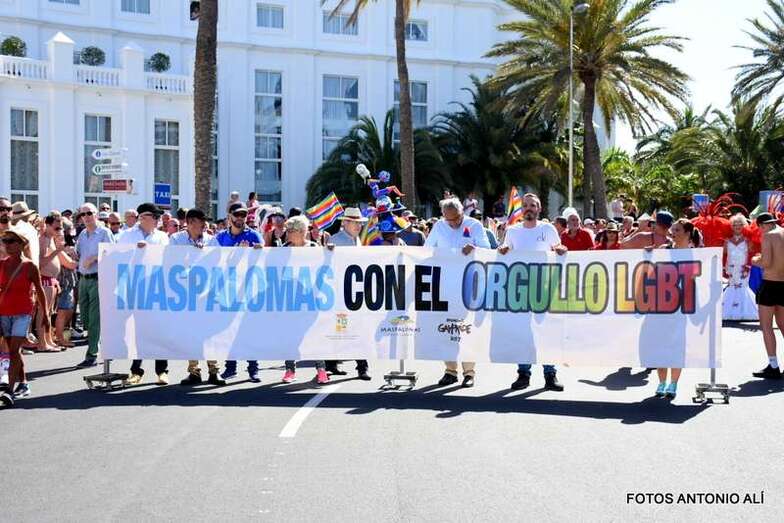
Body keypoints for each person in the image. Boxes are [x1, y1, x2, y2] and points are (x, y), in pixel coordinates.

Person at [498, 192, 568, 391]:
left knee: (546, 332)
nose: (529, 208)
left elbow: (558, 248)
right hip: (520, 290)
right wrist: (502, 250)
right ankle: (523, 374)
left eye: (533, 205)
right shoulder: (512, 231)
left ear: (539, 209)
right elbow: (504, 251)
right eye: (526, 205)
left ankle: (550, 374)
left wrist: (562, 249)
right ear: (522, 209)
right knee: (523, 333)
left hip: (544, 288)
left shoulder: (548, 229)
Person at [425, 197, 491, 388]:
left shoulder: (475, 225)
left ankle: (469, 372)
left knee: (466, 329)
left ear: (462, 213)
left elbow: (488, 250)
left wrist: (475, 248)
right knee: (446, 329)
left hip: (468, 286)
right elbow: (427, 250)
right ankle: (450, 370)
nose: (453, 223)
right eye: (449, 220)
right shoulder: (439, 226)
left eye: (456, 219)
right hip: (444, 285)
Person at [170, 209, 226, 386]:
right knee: (191, 332)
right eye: (201, 221)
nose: (204, 225)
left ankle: (214, 370)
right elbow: (170, 260)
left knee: (209, 332)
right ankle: (194, 371)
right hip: (186, 294)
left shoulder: (211, 240)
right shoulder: (176, 240)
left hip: (207, 292)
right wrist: (192, 253)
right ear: (191, 222)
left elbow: (219, 262)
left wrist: (203, 254)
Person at [210, 202, 264, 382]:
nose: (240, 218)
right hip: (227, 290)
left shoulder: (254, 235)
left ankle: (253, 368)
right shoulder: (219, 238)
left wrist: (258, 251)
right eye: (237, 215)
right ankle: (230, 367)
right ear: (229, 217)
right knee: (228, 330)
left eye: (243, 215)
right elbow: (212, 260)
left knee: (249, 330)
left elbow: (265, 259)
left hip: (249, 290)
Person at [117, 203, 171, 385]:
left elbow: (169, 260)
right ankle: (135, 370)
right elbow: (116, 258)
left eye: (157, 217)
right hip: (134, 289)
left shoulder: (163, 237)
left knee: (159, 330)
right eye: (154, 216)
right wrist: (134, 251)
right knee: (137, 331)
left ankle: (162, 371)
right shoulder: (126, 236)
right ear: (143, 217)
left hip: (156, 289)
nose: (157, 220)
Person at [0, 228, 49, 407]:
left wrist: (46, 315)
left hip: (23, 313)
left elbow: (40, 290)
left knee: (13, 351)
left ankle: (9, 391)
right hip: (4, 313)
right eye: (5, 241)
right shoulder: (2, 264)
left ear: (21, 244)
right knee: (15, 352)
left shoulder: (29, 266)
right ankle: (24, 383)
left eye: (11, 241)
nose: (7, 245)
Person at [653, 219, 701, 399]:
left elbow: (699, 282)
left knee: (677, 346)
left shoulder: (694, 255)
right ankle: (661, 382)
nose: (673, 233)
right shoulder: (663, 250)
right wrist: (648, 255)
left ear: (687, 233)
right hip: (661, 306)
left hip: (682, 307)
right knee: (659, 345)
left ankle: (673, 384)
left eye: (677, 230)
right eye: (672, 229)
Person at [281, 215, 330, 384]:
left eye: (291, 230)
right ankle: (289, 370)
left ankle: (321, 369)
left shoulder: (314, 247)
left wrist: (329, 252)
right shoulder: (283, 248)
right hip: (291, 300)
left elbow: (324, 267)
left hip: (311, 299)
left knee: (314, 335)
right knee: (289, 336)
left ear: (302, 232)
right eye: (287, 230)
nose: (287, 233)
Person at [325, 207, 371, 380]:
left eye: (359, 223)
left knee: (358, 328)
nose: (358, 226)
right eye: (355, 222)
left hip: (354, 291)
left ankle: (361, 366)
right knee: (339, 328)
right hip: (339, 291)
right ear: (345, 223)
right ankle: (332, 364)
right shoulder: (336, 240)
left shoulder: (357, 240)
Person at [74, 203, 115, 368]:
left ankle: (91, 354)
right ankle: (106, 345)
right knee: (84, 317)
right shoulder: (83, 234)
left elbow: (112, 253)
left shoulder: (105, 232)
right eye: (83, 214)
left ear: (96, 214)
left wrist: (95, 257)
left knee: (94, 319)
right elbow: (78, 254)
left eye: (89, 213)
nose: (86, 217)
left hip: (98, 278)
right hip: (83, 278)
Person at [751, 213, 784, 379]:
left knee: (766, 326)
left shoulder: (769, 236)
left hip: (770, 283)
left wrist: (754, 259)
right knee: (783, 324)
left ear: (763, 225)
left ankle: (773, 366)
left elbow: (766, 263)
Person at [722, 214, 758, 321]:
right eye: (734, 224)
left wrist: (747, 266)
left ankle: (744, 311)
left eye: (740, 224)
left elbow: (752, 254)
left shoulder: (748, 240)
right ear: (731, 226)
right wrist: (724, 268)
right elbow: (724, 255)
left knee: (743, 287)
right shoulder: (727, 241)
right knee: (732, 286)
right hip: (731, 269)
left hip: (743, 268)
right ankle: (729, 312)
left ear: (744, 226)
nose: (737, 227)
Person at [54, 218, 78, 348]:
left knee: (66, 311)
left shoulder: (62, 249)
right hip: (63, 284)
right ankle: (60, 338)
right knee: (62, 312)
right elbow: (71, 264)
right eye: (59, 236)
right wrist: (78, 260)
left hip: (68, 283)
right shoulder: (58, 250)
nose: (63, 238)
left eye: (63, 236)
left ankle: (60, 337)